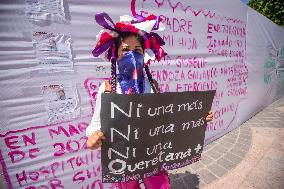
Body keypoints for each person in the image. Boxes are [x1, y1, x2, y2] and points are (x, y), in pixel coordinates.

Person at [86, 12, 213, 189]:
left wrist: (196, 118)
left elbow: (168, 118)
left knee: (159, 185)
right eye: (125, 50)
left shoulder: (152, 85)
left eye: (137, 50)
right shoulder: (108, 88)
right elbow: (96, 124)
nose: (132, 55)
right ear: (115, 55)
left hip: (152, 155)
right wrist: (94, 136)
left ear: (144, 56)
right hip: (123, 159)